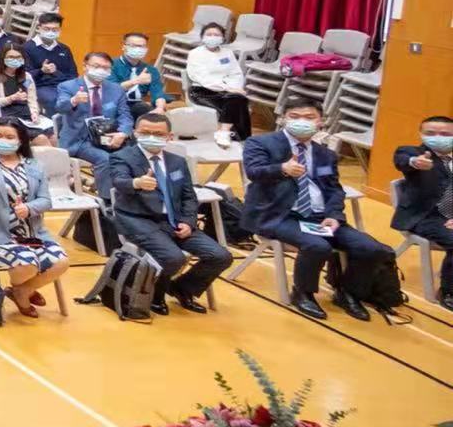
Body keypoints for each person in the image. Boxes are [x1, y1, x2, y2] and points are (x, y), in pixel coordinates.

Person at [242, 100, 396, 321]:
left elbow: (334, 190)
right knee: (317, 245)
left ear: (320, 122)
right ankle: (303, 293)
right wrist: (282, 168)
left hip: (319, 216)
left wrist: (334, 215)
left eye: (309, 117)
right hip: (279, 215)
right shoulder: (260, 143)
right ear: (283, 119)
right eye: (294, 116)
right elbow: (254, 171)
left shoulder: (325, 155)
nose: (301, 122)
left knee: (371, 248)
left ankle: (348, 292)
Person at [108, 114, 231, 315]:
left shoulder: (177, 161)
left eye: (158, 134)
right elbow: (119, 181)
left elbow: (188, 196)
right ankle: (155, 294)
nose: (151, 137)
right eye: (145, 132)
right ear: (135, 133)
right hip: (139, 220)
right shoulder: (122, 157)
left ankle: (182, 289)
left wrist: (188, 222)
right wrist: (136, 183)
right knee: (173, 258)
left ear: (169, 136)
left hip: (174, 221)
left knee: (220, 256)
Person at [0, 118, 71, 318]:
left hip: (30, 233)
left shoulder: (34, 165)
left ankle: (21, 290)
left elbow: (46, 201)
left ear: (21, 140)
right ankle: (24, 291)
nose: (3, 140)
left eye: (9, 137)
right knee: (28, 263)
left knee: (61, 261)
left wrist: (28, 208)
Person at [392, 116, 453, 310]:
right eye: (431, 133)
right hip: (426, 217)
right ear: (421, 134)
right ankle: (448, 291)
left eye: (445, 134)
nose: (438, 137)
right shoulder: (413, 153)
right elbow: (403, 159)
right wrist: (414, 162)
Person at [54, 52, 133, 181]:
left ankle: (125, 188)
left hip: (108, 136)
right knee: (105, 159)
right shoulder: (68, 86)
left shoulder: (116, 89)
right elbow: (60, 107)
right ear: (85, 66)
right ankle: (106, 193)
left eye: (105, 68)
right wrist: (74, 100)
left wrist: (123, 133)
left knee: (133, 156)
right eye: (96, 66)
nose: (101, 70)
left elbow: (125, 116)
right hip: (80, 140)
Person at [183, 22, 254, 141]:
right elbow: (201, 77)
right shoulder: (195, 53)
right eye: (209, 34)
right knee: (238, 100)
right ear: (202, 37)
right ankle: (241, 139)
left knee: (238, 98)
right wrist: (227, 88)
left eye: (216, 35)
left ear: (222, 38)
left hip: (227, 90)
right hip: (202, 91)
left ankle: (225, 132)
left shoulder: (227, 53)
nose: (212, 37)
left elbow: (235, 73)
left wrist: (234, 88)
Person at [110, 33, 168, 118]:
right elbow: (111, 90)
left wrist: (160, 108)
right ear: (124, 46)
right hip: (113, 103)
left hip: (137, 106)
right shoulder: (111, 65)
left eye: (142, 46)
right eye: (134, 46)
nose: (138, 49)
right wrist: (136, 81)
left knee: (154, 115)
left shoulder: (151, 70)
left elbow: (158, 93)